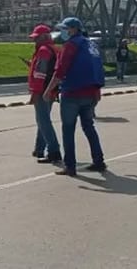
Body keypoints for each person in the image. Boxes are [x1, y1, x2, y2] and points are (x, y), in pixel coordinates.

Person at [43, 17, 106, 177]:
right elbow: (98, 68)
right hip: (90, 93)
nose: (63, 31)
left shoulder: (70, 45)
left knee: (68, 129)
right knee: (89, 127)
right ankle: (99, 161)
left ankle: (70, 166)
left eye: (65, 28)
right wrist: (97, 90)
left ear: (74, 29)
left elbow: (60, 70)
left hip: (72, 93)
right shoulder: (91, 45)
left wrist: (48, 90)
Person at [26, 24, 61, 164]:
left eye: (37, 38)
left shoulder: (43, 51)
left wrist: (35, 93)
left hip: (42, 91)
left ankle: (54, 151)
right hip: (51, 90)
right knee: (43, 120)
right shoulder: (54, 49)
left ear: (44, 37)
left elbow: (40, 74)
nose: (34, 40)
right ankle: (39, 149)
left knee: (43, 121)